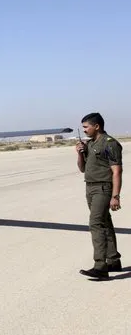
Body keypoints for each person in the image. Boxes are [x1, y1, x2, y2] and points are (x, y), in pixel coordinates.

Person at [76, 112, 123, 279]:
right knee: (105, 222)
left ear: (97, 126)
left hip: (103, 188)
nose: (84, 130)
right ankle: (113, 261)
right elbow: (82, 169)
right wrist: (80, 153)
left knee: (95, 224)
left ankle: (100, 267)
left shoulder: (110, 144)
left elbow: (117, 171)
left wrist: (115, 196)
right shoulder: (89, 144)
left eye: (86, 127)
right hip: (90, 187)